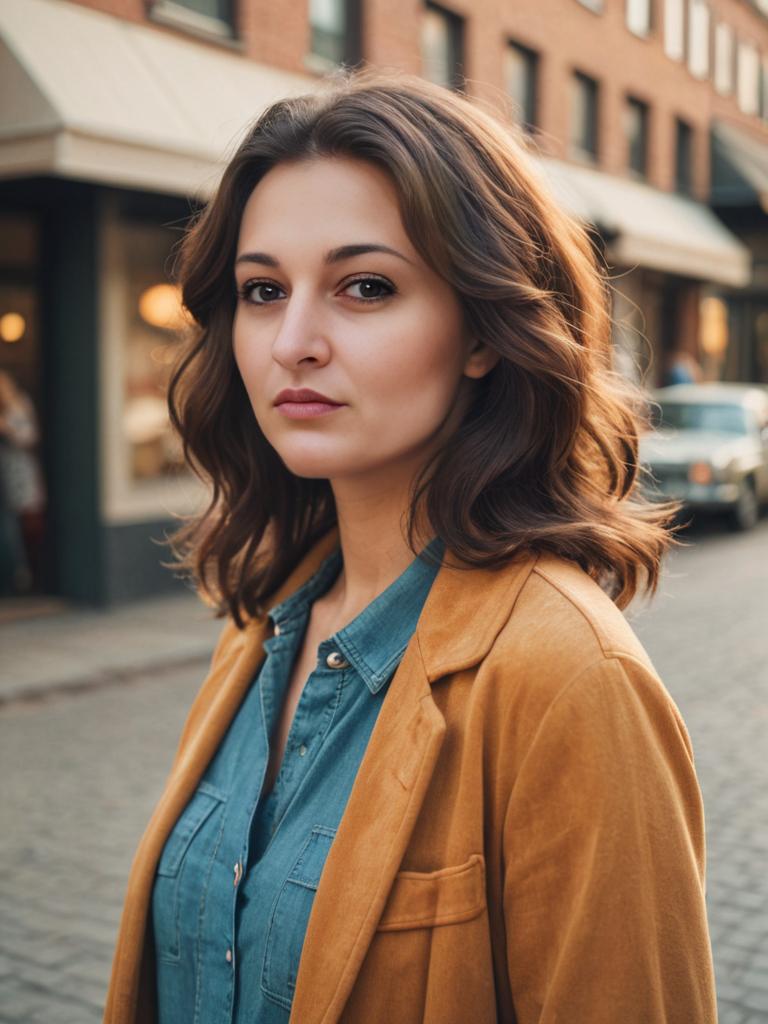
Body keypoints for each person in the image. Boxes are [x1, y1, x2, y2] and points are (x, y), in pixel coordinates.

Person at [104, 69, 717, 1023]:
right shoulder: (264, 626)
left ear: (482, 329)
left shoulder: (569, 679)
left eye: (366, 287)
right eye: (262, 290)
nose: (291, 341)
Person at [0, 369, 45, 594]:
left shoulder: (20, 405)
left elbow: (29, 437)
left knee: (22, 524)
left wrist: (7, 428)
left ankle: (23, 576)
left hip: (16, 476)